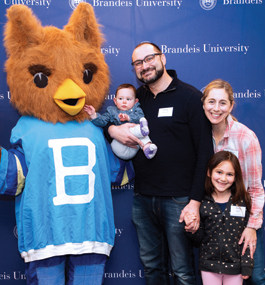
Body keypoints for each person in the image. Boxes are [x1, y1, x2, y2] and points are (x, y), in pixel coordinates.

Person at [105, 42, 214, 285]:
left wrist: (195, 202)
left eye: (149, 58)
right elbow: (108, 120)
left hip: (179, 200)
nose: (144, 66)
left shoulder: (190, 97)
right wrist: (113, 130)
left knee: (183, 271)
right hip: (143, 199)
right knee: (152, 267)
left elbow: (205, 153)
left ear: (163, 58)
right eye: (137, 63)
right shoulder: (136, 98)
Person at [201, 79, 265, 284]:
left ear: (231, 105)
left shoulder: (246, 137)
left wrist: (252, 226)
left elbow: (255, 187)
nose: (216, 108)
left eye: (222, 103)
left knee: (255, 276)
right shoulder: (200, 135)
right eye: (211, 102)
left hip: (243, 221)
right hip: (213, 222)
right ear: (203, 104)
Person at [185, 151, 254, 285]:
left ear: (235, 177)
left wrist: (246, 265)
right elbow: (199, 239)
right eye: (219, 172)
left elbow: (247, 238)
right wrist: (192, 228)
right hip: (209, 266)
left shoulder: (242, 201)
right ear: (209, 172)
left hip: (235, 268)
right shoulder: (202, 202)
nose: (223, 179)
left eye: (229, 174)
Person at [84, 83, 157, 160]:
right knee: (138, 130)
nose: (124, 102)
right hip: (119, 146)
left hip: (136, 145)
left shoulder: (137, 110)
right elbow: (102, 121)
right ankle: (142, 132)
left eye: (128, 99)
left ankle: (147, 148)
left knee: (140, 129)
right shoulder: (111, 111)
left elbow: (141, 118)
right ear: (115, 101)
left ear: (135, 101)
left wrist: (129, 118)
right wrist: (93, 115)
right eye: (120, 99)